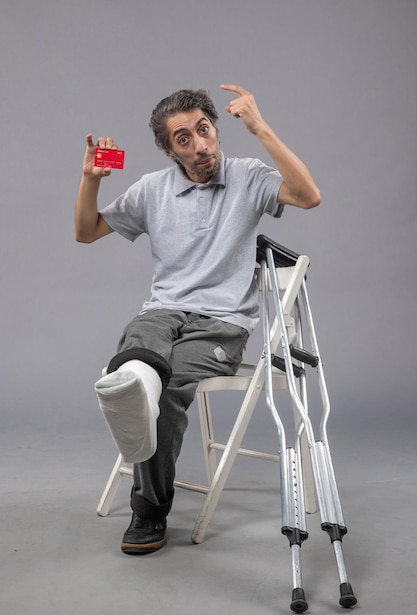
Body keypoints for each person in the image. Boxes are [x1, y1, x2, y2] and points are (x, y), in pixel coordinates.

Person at [74, 84, 320, 555]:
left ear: (216, 128)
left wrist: (259, 126)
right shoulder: (152, 189)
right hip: (161, 314)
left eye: (203, 130)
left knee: (161, 392)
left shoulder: (248, 176)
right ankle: (132, 381)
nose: (199, 145)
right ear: (170, 150)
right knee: (138, 362)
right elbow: (86, 233)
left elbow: (308, 195)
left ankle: (148, 511)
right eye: (183, 139)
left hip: (221, 325)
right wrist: (92, 179)